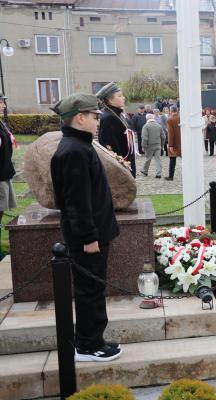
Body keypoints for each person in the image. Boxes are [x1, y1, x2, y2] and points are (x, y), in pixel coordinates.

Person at [49, 93, 121, 362]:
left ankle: (93, 339)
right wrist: (89, 237)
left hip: (94, 234)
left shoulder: (79, 146)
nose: (98, 121)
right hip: (89, 239)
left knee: (93, 288)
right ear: (80, 118)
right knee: (90, 291)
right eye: (94, 116)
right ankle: (88, 346)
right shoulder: (74, 151)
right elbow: (76, 201)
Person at [96, 82, 136, 177]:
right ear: (110, 99)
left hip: (127, 162)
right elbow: (109, 146)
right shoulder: (109, 117)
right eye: (119, 96)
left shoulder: (118, 114)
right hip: (120, 166)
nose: (123, 98)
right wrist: (121, 164)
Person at [0, 94, 16, 231]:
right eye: (1, 102)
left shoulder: (0, 123)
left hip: (4, 172)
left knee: (1, 209)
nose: (4, 106)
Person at [139, 114, 165, 178]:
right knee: (158, 159)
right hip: (158, 145)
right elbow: (163, 137)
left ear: (147, 119)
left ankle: (145, 171)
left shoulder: (146, 126)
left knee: (148, 159)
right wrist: (161, 145)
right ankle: (158, 173)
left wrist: (144, 146)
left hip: (149, 146)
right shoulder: (159, 126)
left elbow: (144, 138)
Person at [165, 106, 181, 181]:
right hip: (183, 143)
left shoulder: (170, 120)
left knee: (172, 160)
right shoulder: (182, 118)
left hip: (174, 143)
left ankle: (171, 176)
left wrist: (170, 145)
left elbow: (171, 134)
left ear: (171, 111)